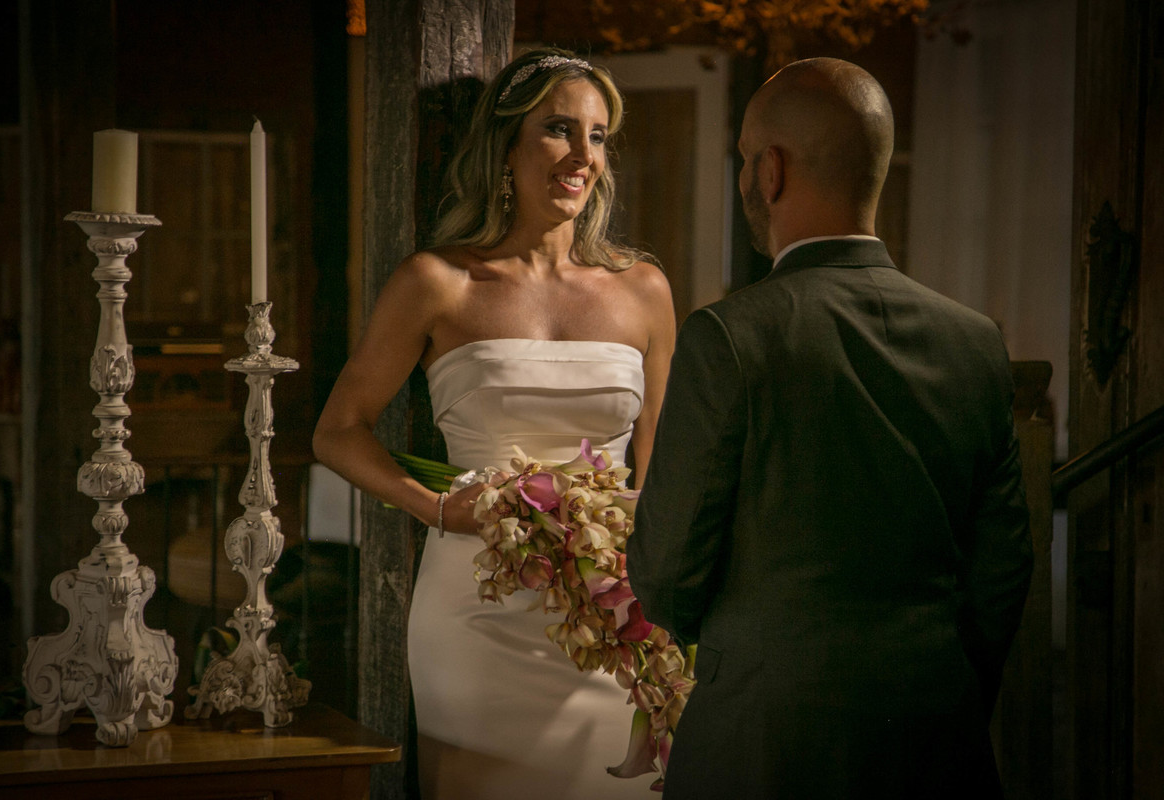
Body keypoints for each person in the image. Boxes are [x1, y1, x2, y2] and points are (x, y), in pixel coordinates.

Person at [626, 57, 1033, 798]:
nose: (746, 175)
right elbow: (1001, 575)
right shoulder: (974, 342)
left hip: (763, 745)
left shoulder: (730, 337)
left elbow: (666, 577)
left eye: (746, 157)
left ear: (770, 171)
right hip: (937, 742)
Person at [312, 48, 674, 799]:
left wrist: (664, 602)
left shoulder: (644, 290)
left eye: (598, 136)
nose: (583, 155)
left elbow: (664, 466)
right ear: (505, 149)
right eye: (559, 129)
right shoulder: (435, 282)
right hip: (475, 612)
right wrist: (437, 506)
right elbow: (337, 431)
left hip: (609, 609)